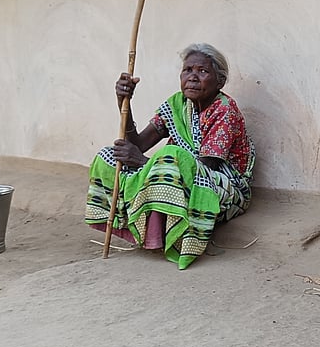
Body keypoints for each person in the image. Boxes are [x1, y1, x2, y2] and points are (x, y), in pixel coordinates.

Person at [85, 43, 255, 269]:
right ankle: (144, 231)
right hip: (175, 173)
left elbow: (203, 168)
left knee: (170, 157)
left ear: (220, 81)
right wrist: (124, 103)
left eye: (202, 71)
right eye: (188, 70)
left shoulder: (224, 110)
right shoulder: (176, 104)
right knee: (109, 155)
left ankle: (175, 237)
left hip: (222, 187)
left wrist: (143, 163)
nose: (193, 77)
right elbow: (139, 143)